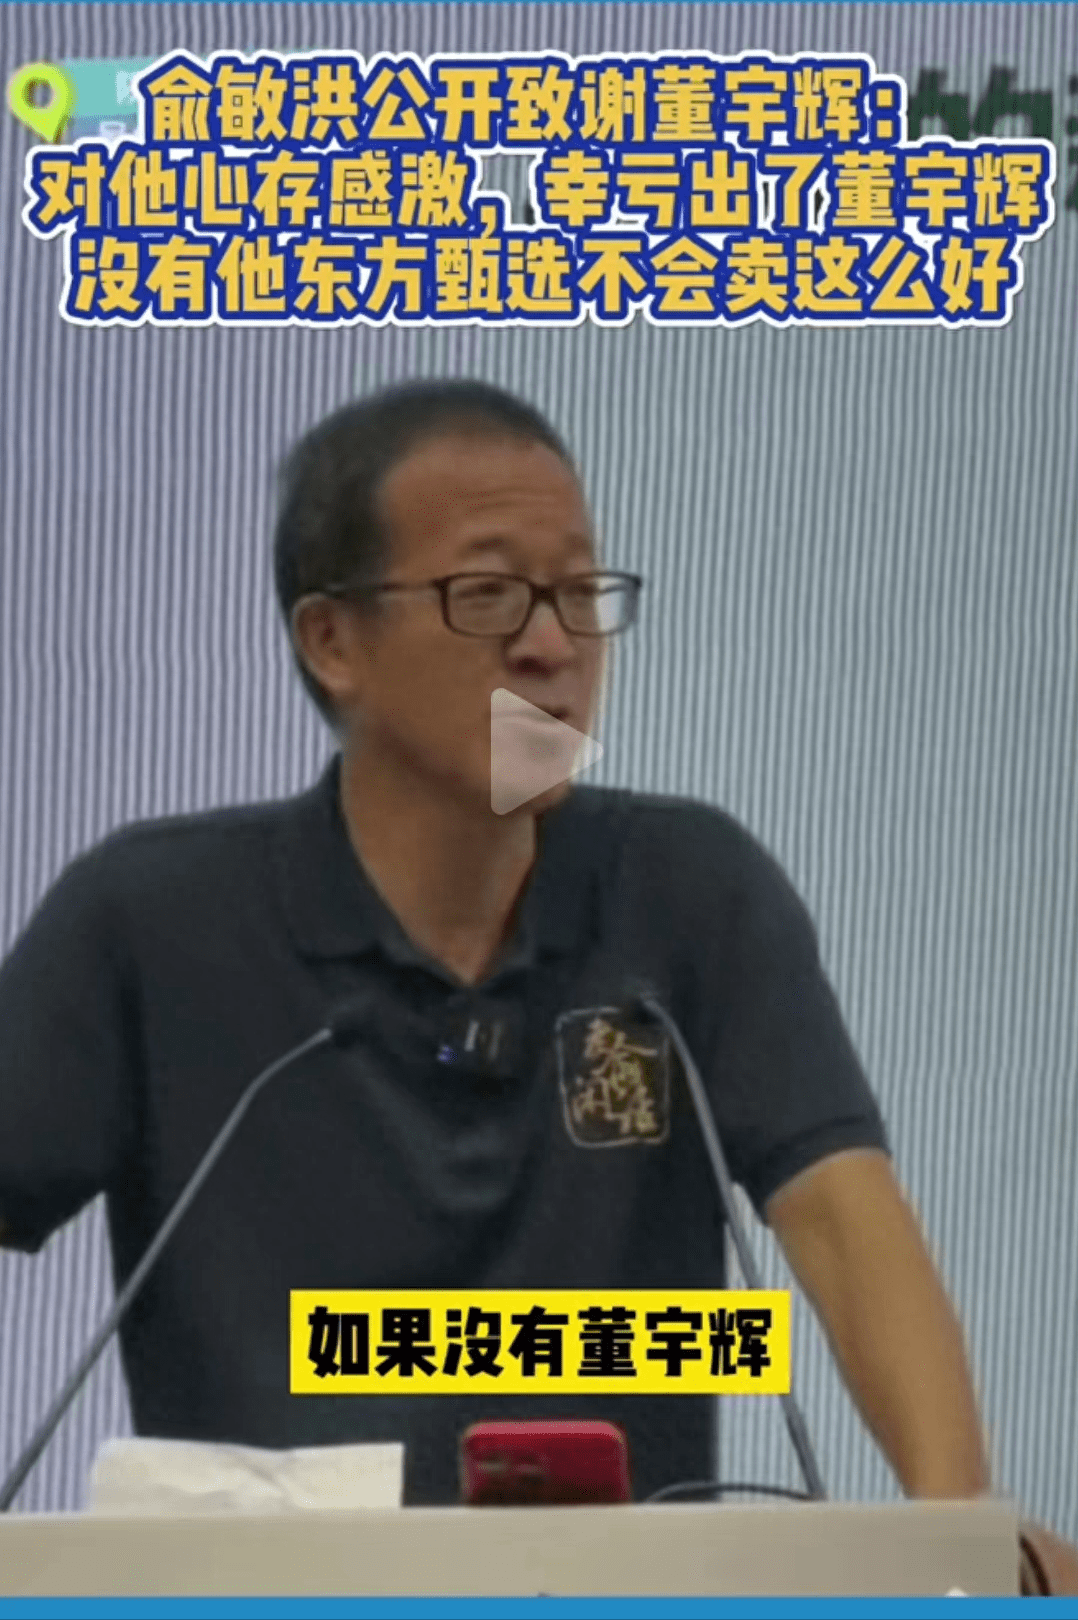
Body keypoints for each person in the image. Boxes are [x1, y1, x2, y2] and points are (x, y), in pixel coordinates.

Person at [0, 379, 993, 1514]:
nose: (551, 646)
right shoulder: (152, 921)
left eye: (578, 594)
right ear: (333, 641)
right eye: (488, 595)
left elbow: (841, 1221)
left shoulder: (689, 895)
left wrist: (960, 1535)